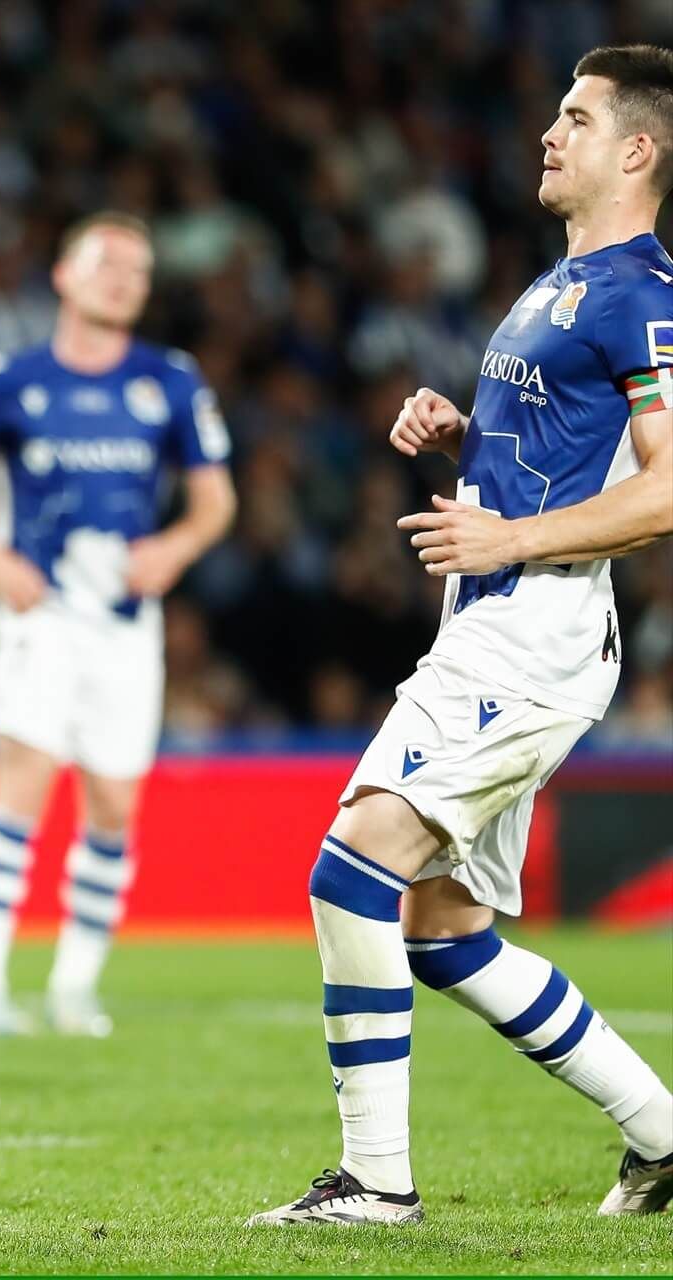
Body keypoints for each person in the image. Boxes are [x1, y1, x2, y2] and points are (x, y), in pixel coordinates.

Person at [247, 44, 673, 1226]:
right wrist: (460, 439)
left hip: (531, 628)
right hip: (494, 618)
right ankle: (664, 1133)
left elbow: (667, 488)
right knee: (442, 928)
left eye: (577, 117)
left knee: (351, 865)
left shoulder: (644, 292)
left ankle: (377, 1181)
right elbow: (552, 456)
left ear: (636, 150)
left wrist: (508, 543)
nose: (550, 131)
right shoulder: (559, 285)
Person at [0, 212, 237, 1037]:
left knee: (112, 807)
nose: (124, 280)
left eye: (138, 270)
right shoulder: (7, 381)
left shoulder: (170, 382)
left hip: (127, 625)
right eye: (107, 263)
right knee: (20, 793)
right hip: (42, 621)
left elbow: (216, 503)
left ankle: (74, 986)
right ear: (64, 276)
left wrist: (172, 549)